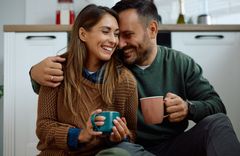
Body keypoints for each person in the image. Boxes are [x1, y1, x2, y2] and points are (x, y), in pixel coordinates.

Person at [30, 0, 240, 156]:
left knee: (218, 123)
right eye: (113, 34)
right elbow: (76, 74)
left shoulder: (179, 63)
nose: (118, 43)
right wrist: (34, 73)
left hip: (174, 145)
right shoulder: (112, 60)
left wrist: (188, 108)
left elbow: (217, 106)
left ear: (152, 29)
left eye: (125, 34)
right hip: (130, 148)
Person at [34, 4, 152, 156]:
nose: (113, 40)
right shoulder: (56, 71)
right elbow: (43, 128)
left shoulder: (125, 80)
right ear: (83, 34)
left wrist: (121, 136)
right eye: (105, 31)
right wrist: (80, 135)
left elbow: (132, 133)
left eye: (116, 34)